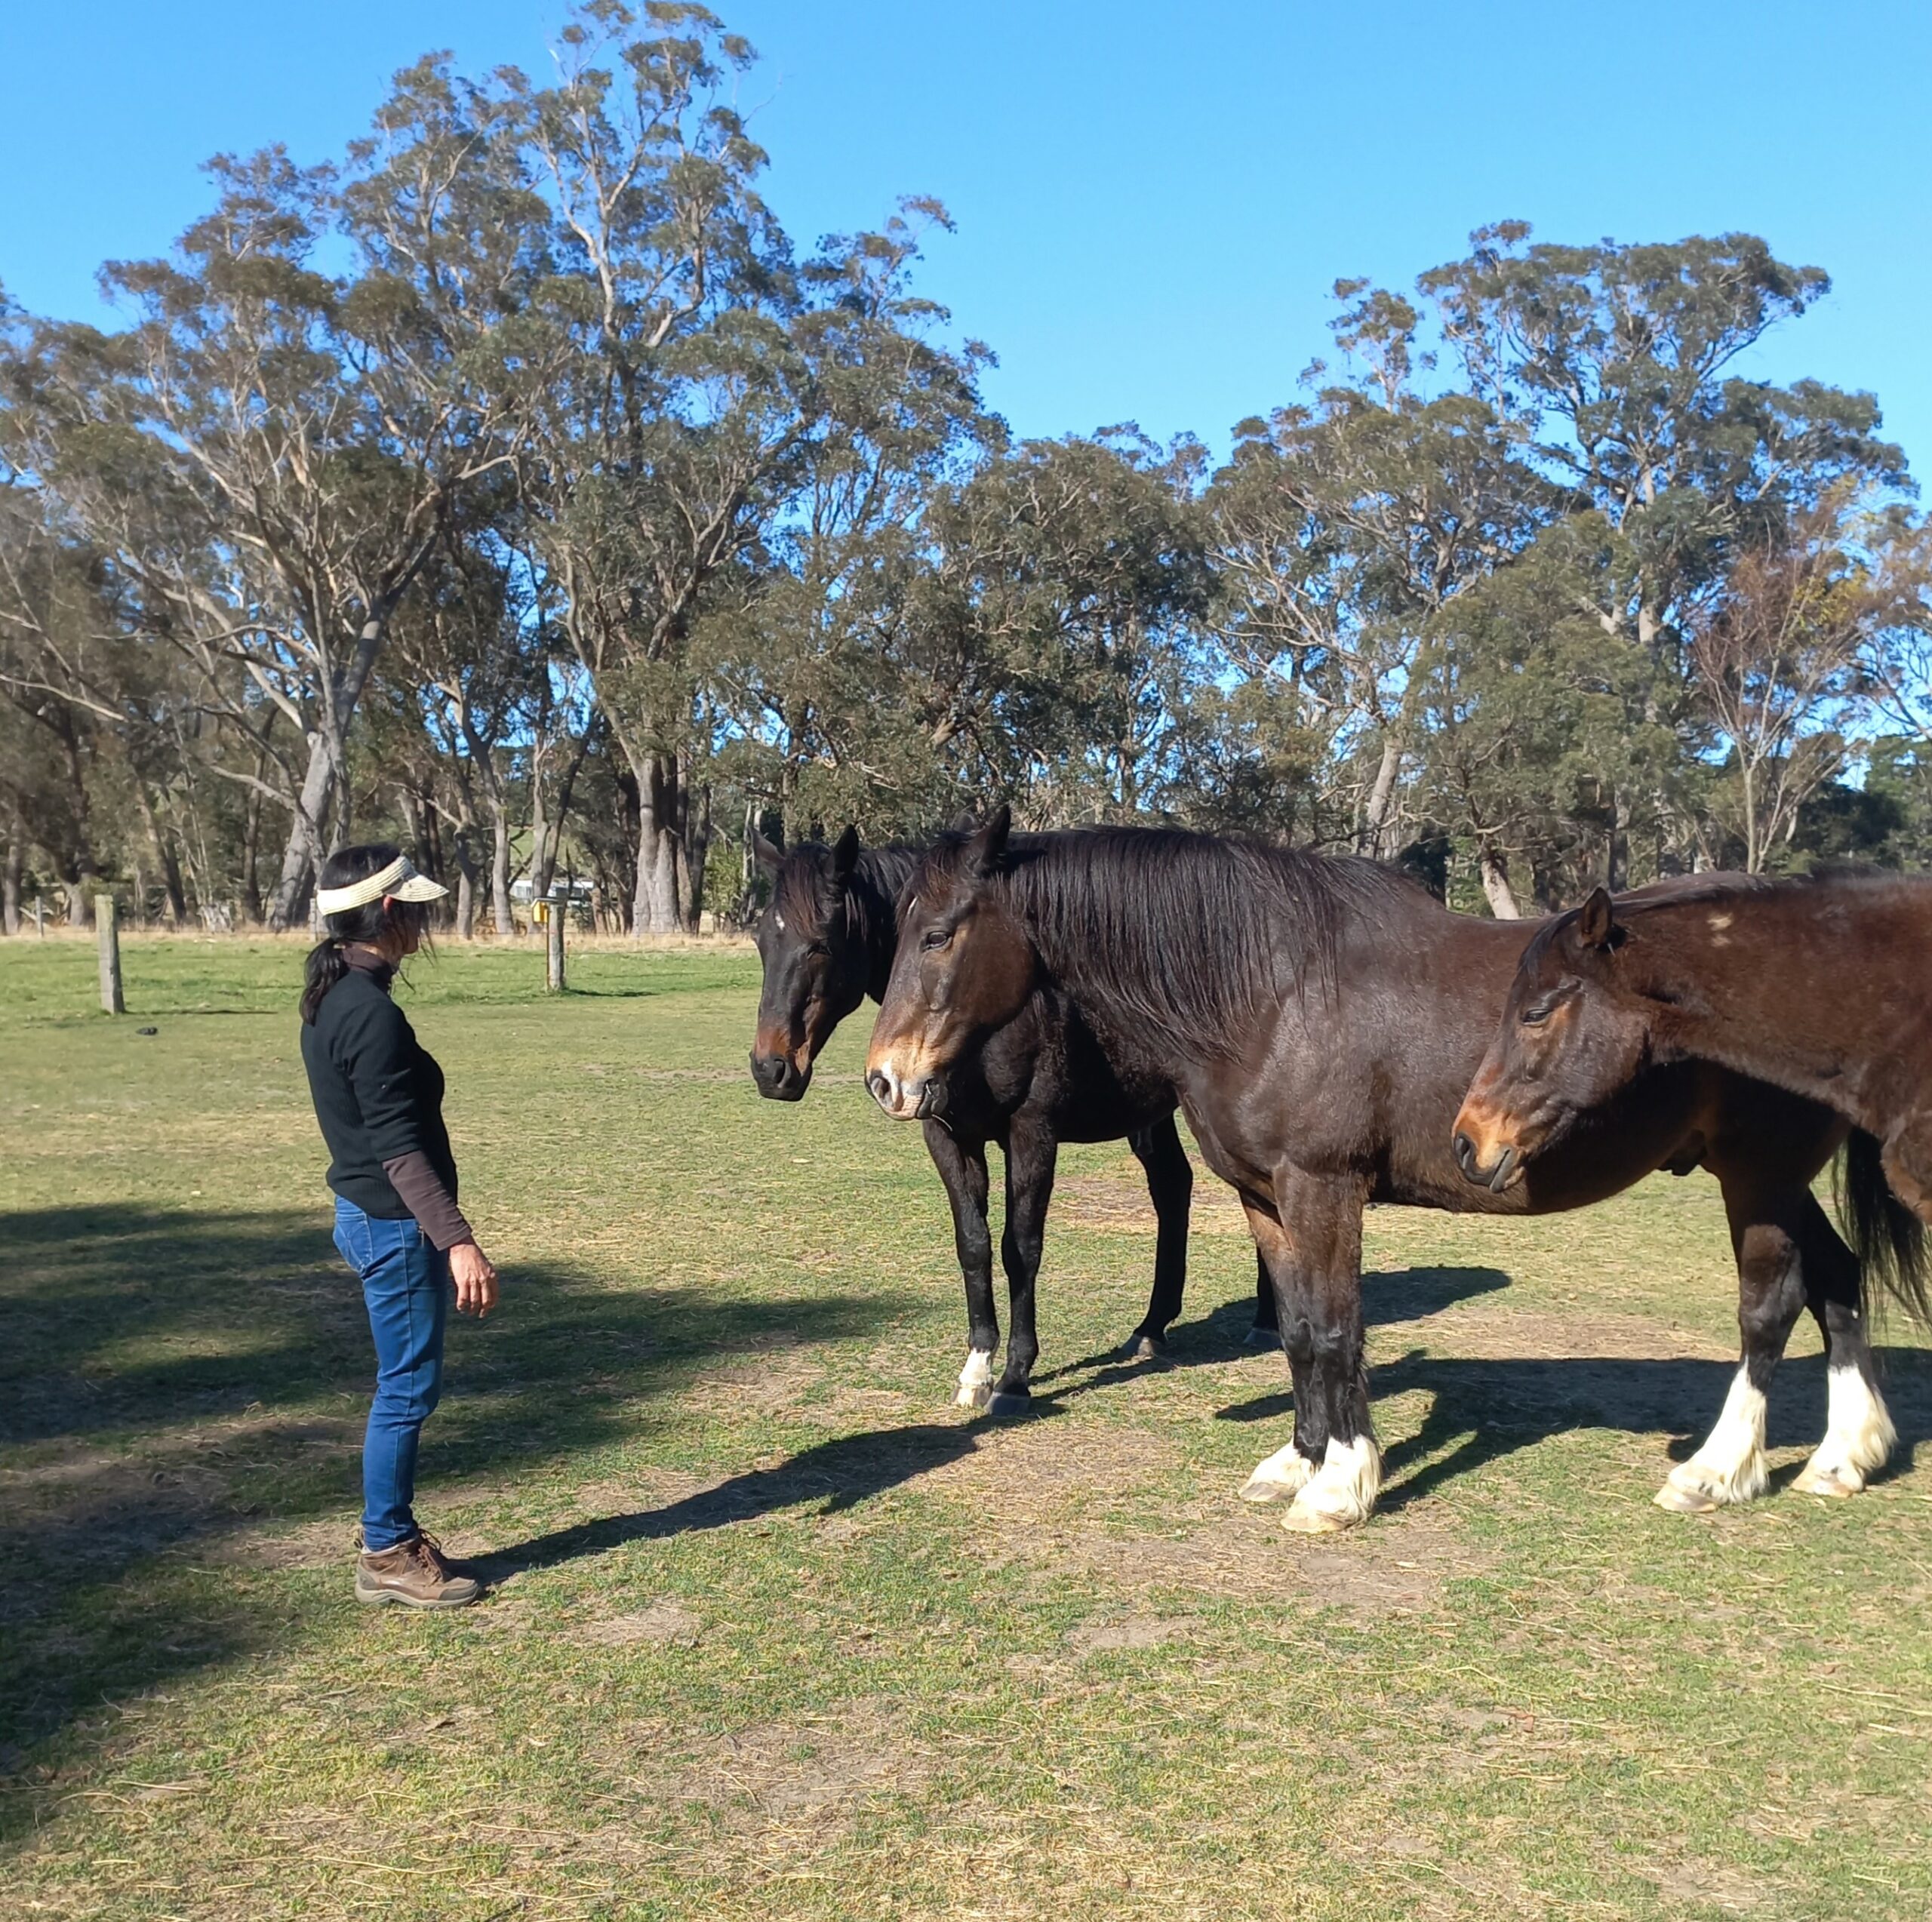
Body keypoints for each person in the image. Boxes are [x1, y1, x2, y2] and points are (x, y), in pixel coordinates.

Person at [298, 843, 501, 1608]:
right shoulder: (368, 1013)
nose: (427, 921)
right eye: (418, 908)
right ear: (390, 913)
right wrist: (458, 1241)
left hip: (369, 1216)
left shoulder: (336, 993)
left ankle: (389, 1539)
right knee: (406, 1389)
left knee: (404, 1384)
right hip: (392, 1224)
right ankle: (386, 1550)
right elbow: (397, 1153)